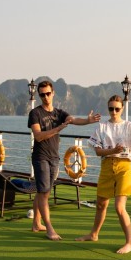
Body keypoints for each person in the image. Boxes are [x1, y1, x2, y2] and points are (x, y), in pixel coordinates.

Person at [76, 95, 131, 254]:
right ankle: (94, 234)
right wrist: (113, 150)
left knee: (119, 207)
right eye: (111, 108)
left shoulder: (130, 126)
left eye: (117, 109)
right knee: (101, 204)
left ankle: (129, 242)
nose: (114, 111)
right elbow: (97, 151)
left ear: (122, 109)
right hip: (107, 165)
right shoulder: (102, 127)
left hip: (124, 166)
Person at [27, 80, 100, 240]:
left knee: (42, 192)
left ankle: (36, 223)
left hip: (54, 157)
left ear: (53, 93)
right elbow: (38, 136)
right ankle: (49, 229)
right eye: (42, 94)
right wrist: (57, 129)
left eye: (48, 93)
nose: (45, 97)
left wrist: (87, 120)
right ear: (39, 96)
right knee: (44, 192)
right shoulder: (35, 113)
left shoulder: (59, 113)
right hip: (41, 157)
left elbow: (72, 120)